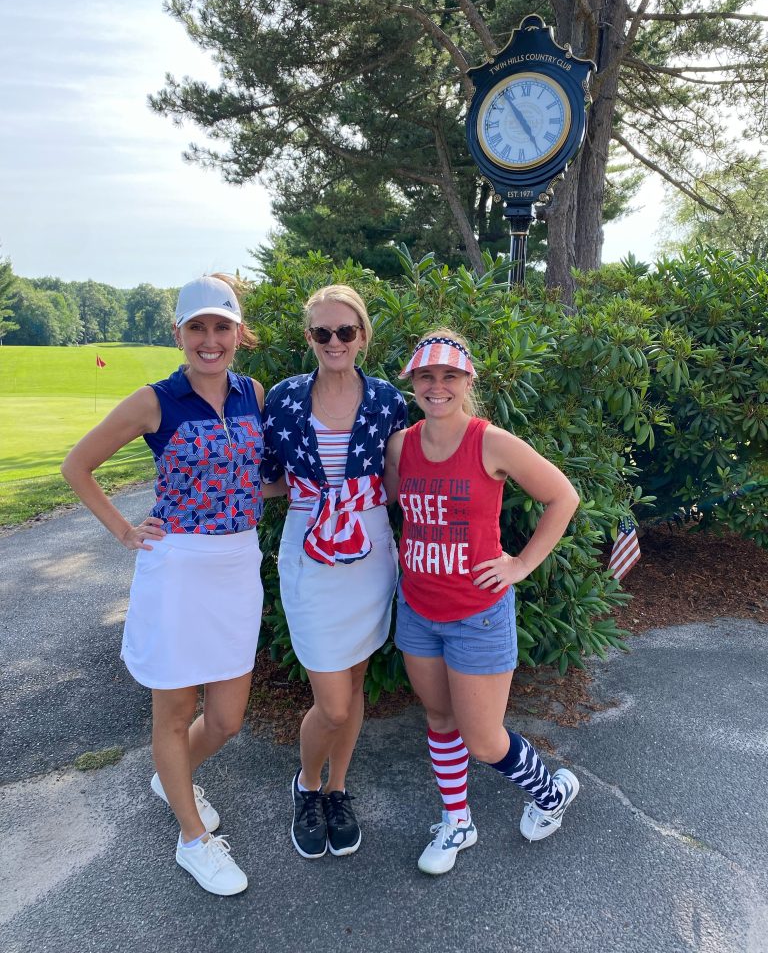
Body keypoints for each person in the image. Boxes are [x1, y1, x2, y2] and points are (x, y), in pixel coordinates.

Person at [61, 274, 269, 897]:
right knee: (176, 713)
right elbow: (78, 464)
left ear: (239, 334)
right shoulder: (155, 401)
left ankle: (170, 776)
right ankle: (192, 841)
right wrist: (125, 530)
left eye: (221, 327)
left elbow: (256, 479)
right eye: (197, 327)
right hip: (177, 568)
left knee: (227, 719)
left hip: (237, 563)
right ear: (178, 333)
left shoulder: (253, 393)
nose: (210, 340)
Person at [384, 330, 581, 875]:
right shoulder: (402, 444)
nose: (437, 386)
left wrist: (520, 564)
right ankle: (457, 821)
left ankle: (550, 793)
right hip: (419, 610)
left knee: (484, 738)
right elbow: (394, 502)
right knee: (440, 717)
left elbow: (563, 496)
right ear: (414, 383)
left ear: (467, 382)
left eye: (449, 376)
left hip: (476, 615)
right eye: (427, 376)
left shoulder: (490, 442)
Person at [261, 284, 407, 860]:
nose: (334, 341)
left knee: (353, 684)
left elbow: (398, 481)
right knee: (334, 701)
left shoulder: (388, 400)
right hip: (308, 550)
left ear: (363, 336)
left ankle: (338, 788)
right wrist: (220, 500)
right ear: (310, 339)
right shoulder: (285, 398)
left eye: (345, 331)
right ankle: (306, 784)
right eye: (322, 332)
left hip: (369, 548)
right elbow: (269, 475)